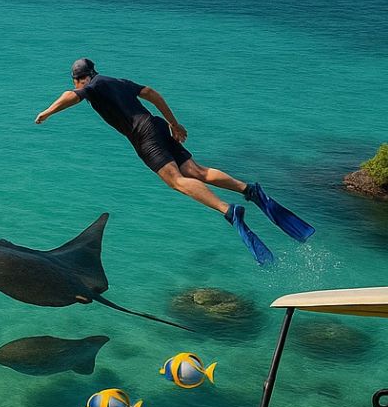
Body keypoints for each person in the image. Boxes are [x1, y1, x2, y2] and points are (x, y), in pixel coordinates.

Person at [35, 58, 314, 265]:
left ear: (78, 78)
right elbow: (151, 93)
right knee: (196, 170)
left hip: (143, 135)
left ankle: (228, 210)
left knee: (178, 181)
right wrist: (173, 123)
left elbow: (70, 97)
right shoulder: (116, 82)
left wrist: (47, 112)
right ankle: (249, 190)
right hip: (156, 125)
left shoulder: (91, 87)